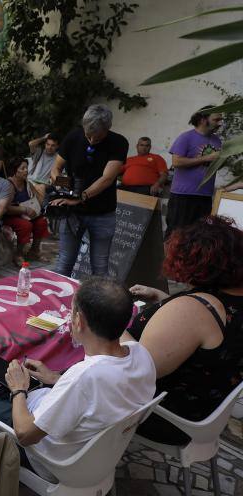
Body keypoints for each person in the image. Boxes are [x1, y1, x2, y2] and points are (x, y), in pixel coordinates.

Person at [0, 278, 155, 483]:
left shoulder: (85, 377)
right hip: (95, 456)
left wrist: (19, 390)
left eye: (71, 312)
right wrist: (56, 378)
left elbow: (25, 434)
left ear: (78, 321)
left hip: (52, 462)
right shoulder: (141, 354)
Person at [122, 216, 243, 445]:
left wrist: (109, 324)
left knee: (69, 368)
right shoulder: (230, 299)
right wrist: (161, 298)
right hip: (207, 412)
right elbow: (205, 332)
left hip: (167, 417)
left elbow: (140, 368)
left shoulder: (195, 308)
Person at [50, 104, 129, 277]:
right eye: (88, 135)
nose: (92, 140)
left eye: (97, 137)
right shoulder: (73, 137)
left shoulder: (118, 142)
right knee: (64, 262)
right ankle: (56, 301)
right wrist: (60, 186)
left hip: (102, 213)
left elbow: (107, 178)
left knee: (100, 266)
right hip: (72, 212)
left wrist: (81, 197)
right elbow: (56, 167)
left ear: (108, 128)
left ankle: (99, 303)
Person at [166, 106, 223, 237]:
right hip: (183, 196)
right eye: (216, 119)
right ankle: (170, 258)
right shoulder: (186, 137)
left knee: (199, 237)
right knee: (176, 235)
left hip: (205, 196)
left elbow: (214, 166)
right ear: (203, 119)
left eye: (221, 120)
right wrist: (207, 158)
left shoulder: (217, 140)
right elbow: (176, 162)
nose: (219, 123)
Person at [3, 158, 49, 265]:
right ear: (15, 170)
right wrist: (25, 209)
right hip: (11, 216)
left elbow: (38, 199)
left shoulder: (26, 183)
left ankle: (34, 251)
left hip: (26, 215)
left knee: (42, 221)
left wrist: (39, 190)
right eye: (22, 168)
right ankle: (18, 254)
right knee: (25, 225)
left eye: (26, 168)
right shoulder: (9, 185)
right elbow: (5, 208)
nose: (26, 171)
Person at [26, 133, 59, 197]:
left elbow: (61, 179)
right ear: (45, 144)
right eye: (48, 144)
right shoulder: (39, 152)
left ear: (57, 146)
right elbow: (31, 144)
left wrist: (51, 184)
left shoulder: (58, 158)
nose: (49, 147)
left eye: (53, 145)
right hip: (29, 181)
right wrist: (44, 138)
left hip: (44, 186)